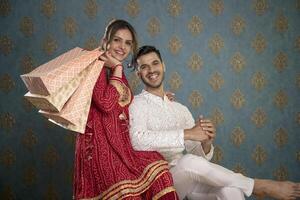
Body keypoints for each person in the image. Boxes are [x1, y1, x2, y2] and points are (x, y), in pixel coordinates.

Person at [129, 45, 300, 200]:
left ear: (163, 65)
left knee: (230, 189)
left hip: (187, 179)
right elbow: (138, 141)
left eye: (155, 63)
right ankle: (258, 186)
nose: (151, 69)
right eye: (144, 67)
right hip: (158, 182)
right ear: (138, 73)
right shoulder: (136, 104)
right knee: (188, 162)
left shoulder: (181, 109)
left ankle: (245, 186)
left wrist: (205, 143)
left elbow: (198, 159)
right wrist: (188, 133)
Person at [73, 21, 178, 200]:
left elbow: (121, 106)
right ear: (105, 40)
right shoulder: (95, 65)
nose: (122, 47)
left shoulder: (116, 70)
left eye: (128, 43)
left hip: (121, 146)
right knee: (126, 194)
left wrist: (156, 96)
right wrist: (118, 68)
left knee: (159, 170)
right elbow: (106, 103)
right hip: (99, 147)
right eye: (117, 40)